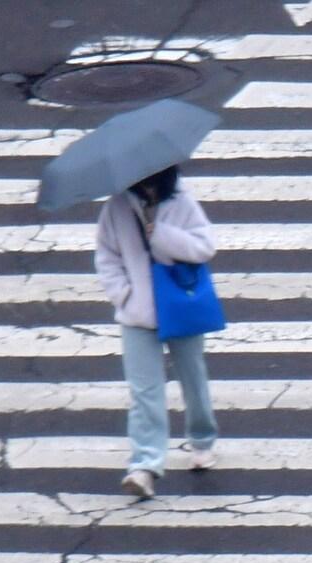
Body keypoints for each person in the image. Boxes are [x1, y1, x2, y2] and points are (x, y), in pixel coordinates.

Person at [93, 164, 219, 499]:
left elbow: (205, 247)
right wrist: (123, 294)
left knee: (192, 377)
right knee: (144, 392)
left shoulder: (182, 202)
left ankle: (202, 439)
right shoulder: (116, 207)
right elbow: (106, 255)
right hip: (137, 313)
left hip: (179, 305)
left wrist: (160, 235)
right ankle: (145, 465)